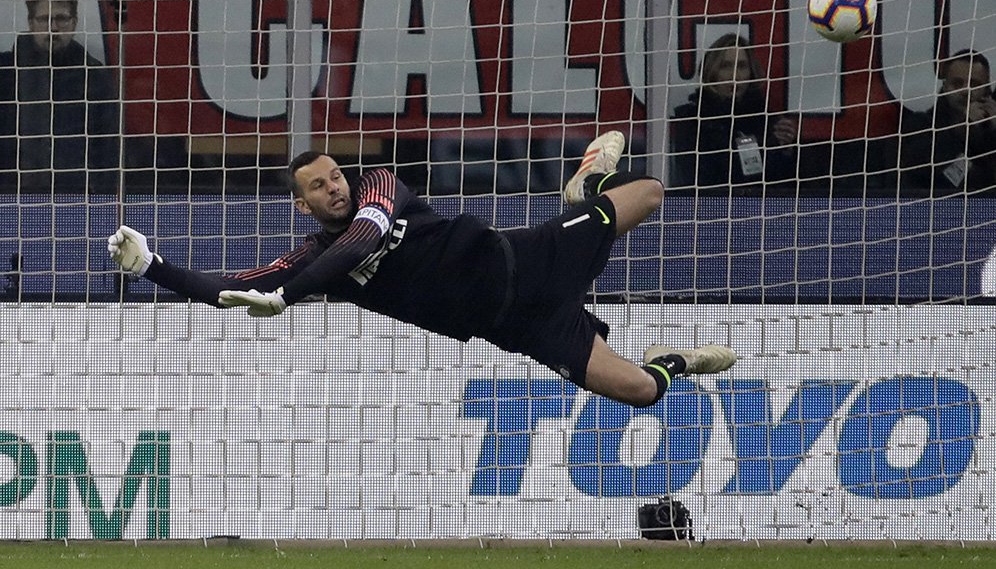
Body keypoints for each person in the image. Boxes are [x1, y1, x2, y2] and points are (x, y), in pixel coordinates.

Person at [107, 132, 737, 408]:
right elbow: (237, 286)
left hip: (529, 259)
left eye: (335, 175)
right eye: (319, 187)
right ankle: (673, 358)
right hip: (520, 327)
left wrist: (289, 295)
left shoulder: (381, 188)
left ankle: (590, 180)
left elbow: (358, 246)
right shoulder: (311, 257)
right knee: (645, 391)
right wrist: (152, 266)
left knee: (650, 191)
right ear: (301, 203)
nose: (335, 187)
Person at [0, 0, 119, 193]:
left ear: (74, 22)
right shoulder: (5, 73)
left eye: (61, 18)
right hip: (8, 194)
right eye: (44, 19)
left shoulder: (94, 77)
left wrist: (102, 195)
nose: (53, 27)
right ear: (31, 23)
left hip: (74, 195)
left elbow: (108, 144)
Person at [669, 34, 798, 193]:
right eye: (725, 66)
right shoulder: (691, 120)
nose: (735, 76)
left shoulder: (767, 120)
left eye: (742, 66)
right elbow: (704, 176)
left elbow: (784, 186)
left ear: (752, 72)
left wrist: (785, 149)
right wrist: (765, 147)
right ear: (711, 71)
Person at [896, 49, 996, 195]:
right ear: (944, 87)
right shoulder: (920, 125)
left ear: (987, 90)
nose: (965, 91)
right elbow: (924, 173)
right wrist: (964, 127)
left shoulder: (990, 131)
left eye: (974, 84)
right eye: (957, 83)